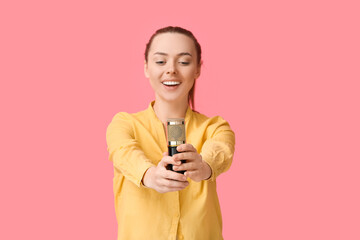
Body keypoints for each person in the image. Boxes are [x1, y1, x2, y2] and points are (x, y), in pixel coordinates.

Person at [106, 26, 235, 240]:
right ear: (146, 68)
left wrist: (203, 167)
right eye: (160, 61)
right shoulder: (124, 124)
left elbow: (220, 151)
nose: (171, 70)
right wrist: (150, 176)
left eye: (184, 62)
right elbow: (124, 153)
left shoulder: (216, 127)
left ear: (197, 69)